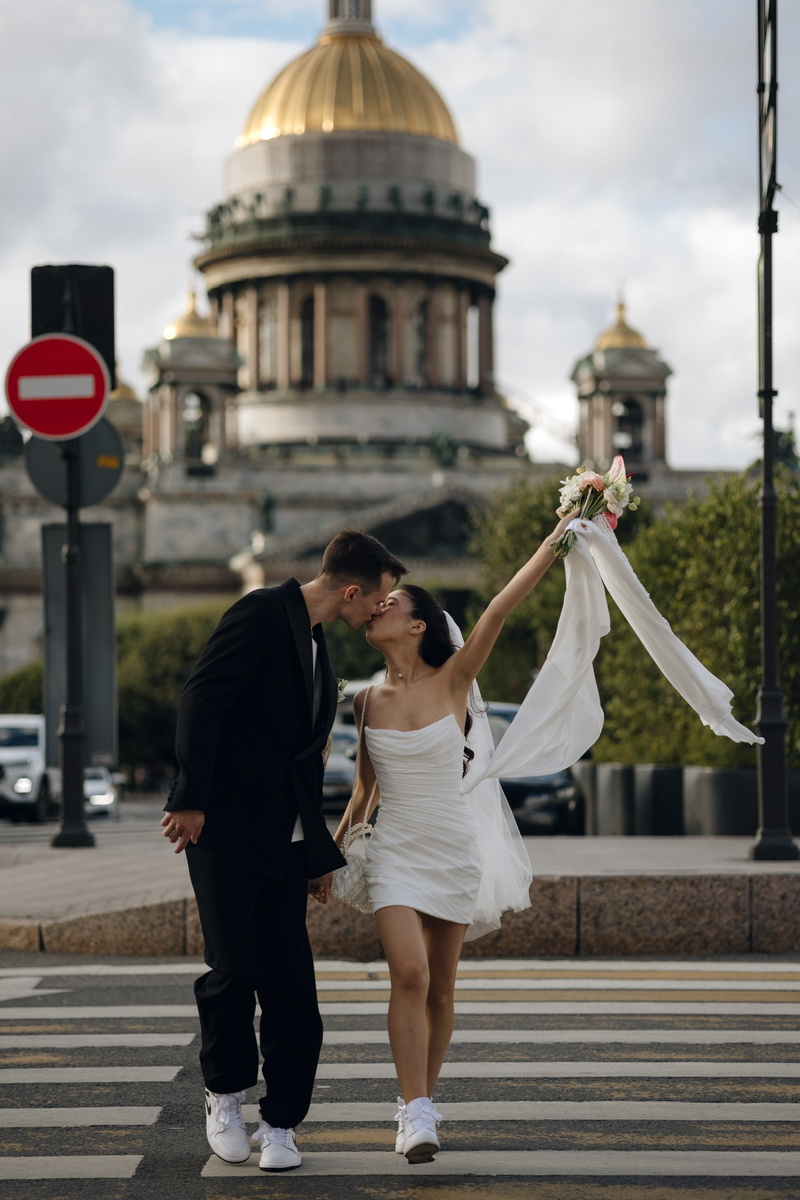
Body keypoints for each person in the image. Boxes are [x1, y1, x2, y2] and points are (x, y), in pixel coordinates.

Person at [162, 530, 407, 1173]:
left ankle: (281, 1122)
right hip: (222, 830)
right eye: (376, 599)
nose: (378, 610)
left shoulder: (319, 642)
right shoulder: (260, 612)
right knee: (233, 970)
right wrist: (190, 797)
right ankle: (224, 1096)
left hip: (286, 839)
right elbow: (201, 698)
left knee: (293, 989)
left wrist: (317, 853)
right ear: (350, 591)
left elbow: (302, 762)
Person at [333, 514, 574, 1165]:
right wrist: (329, 855)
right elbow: (364, 790)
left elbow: (499, 608)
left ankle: (422, 1101)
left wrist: (556, 537)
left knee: (440, 987)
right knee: (408, 973)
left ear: (418, 626)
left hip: (453, 848)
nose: (376, 609)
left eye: (390, 604)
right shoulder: (366, 702)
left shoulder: (455, 681)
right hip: (394, 852)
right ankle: (413, 1111)